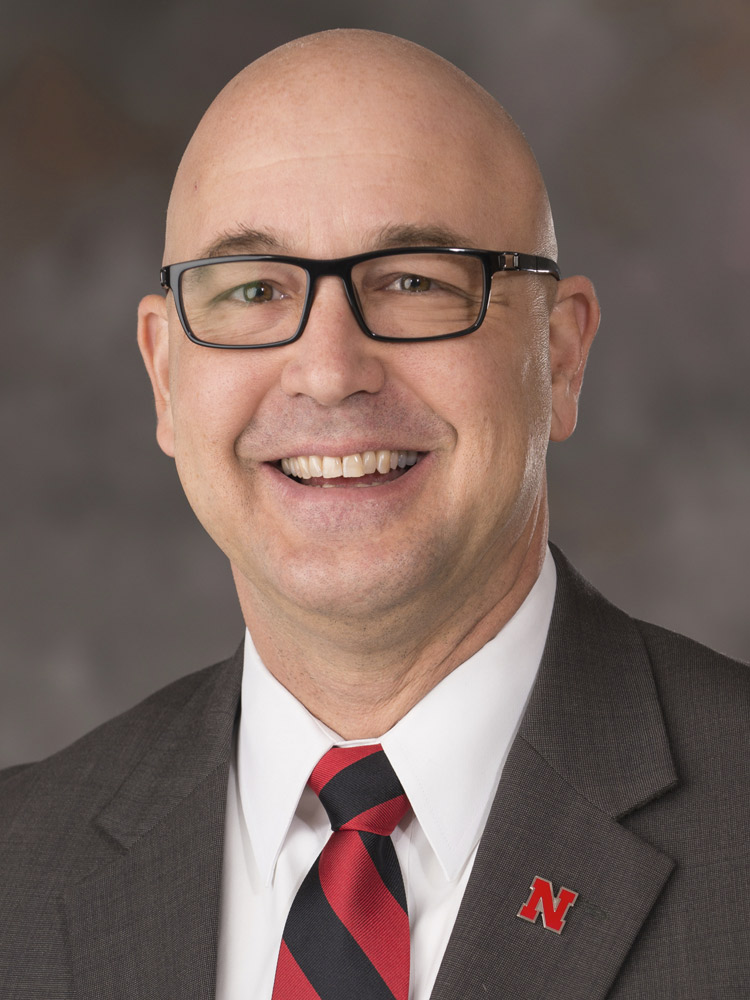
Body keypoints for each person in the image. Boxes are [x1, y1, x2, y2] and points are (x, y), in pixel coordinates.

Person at [1, 28, 747, 1000]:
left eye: (413, 281)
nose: (328, 370)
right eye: (254, 290)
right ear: (165, 375)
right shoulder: (19, 867)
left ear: (560, 356)